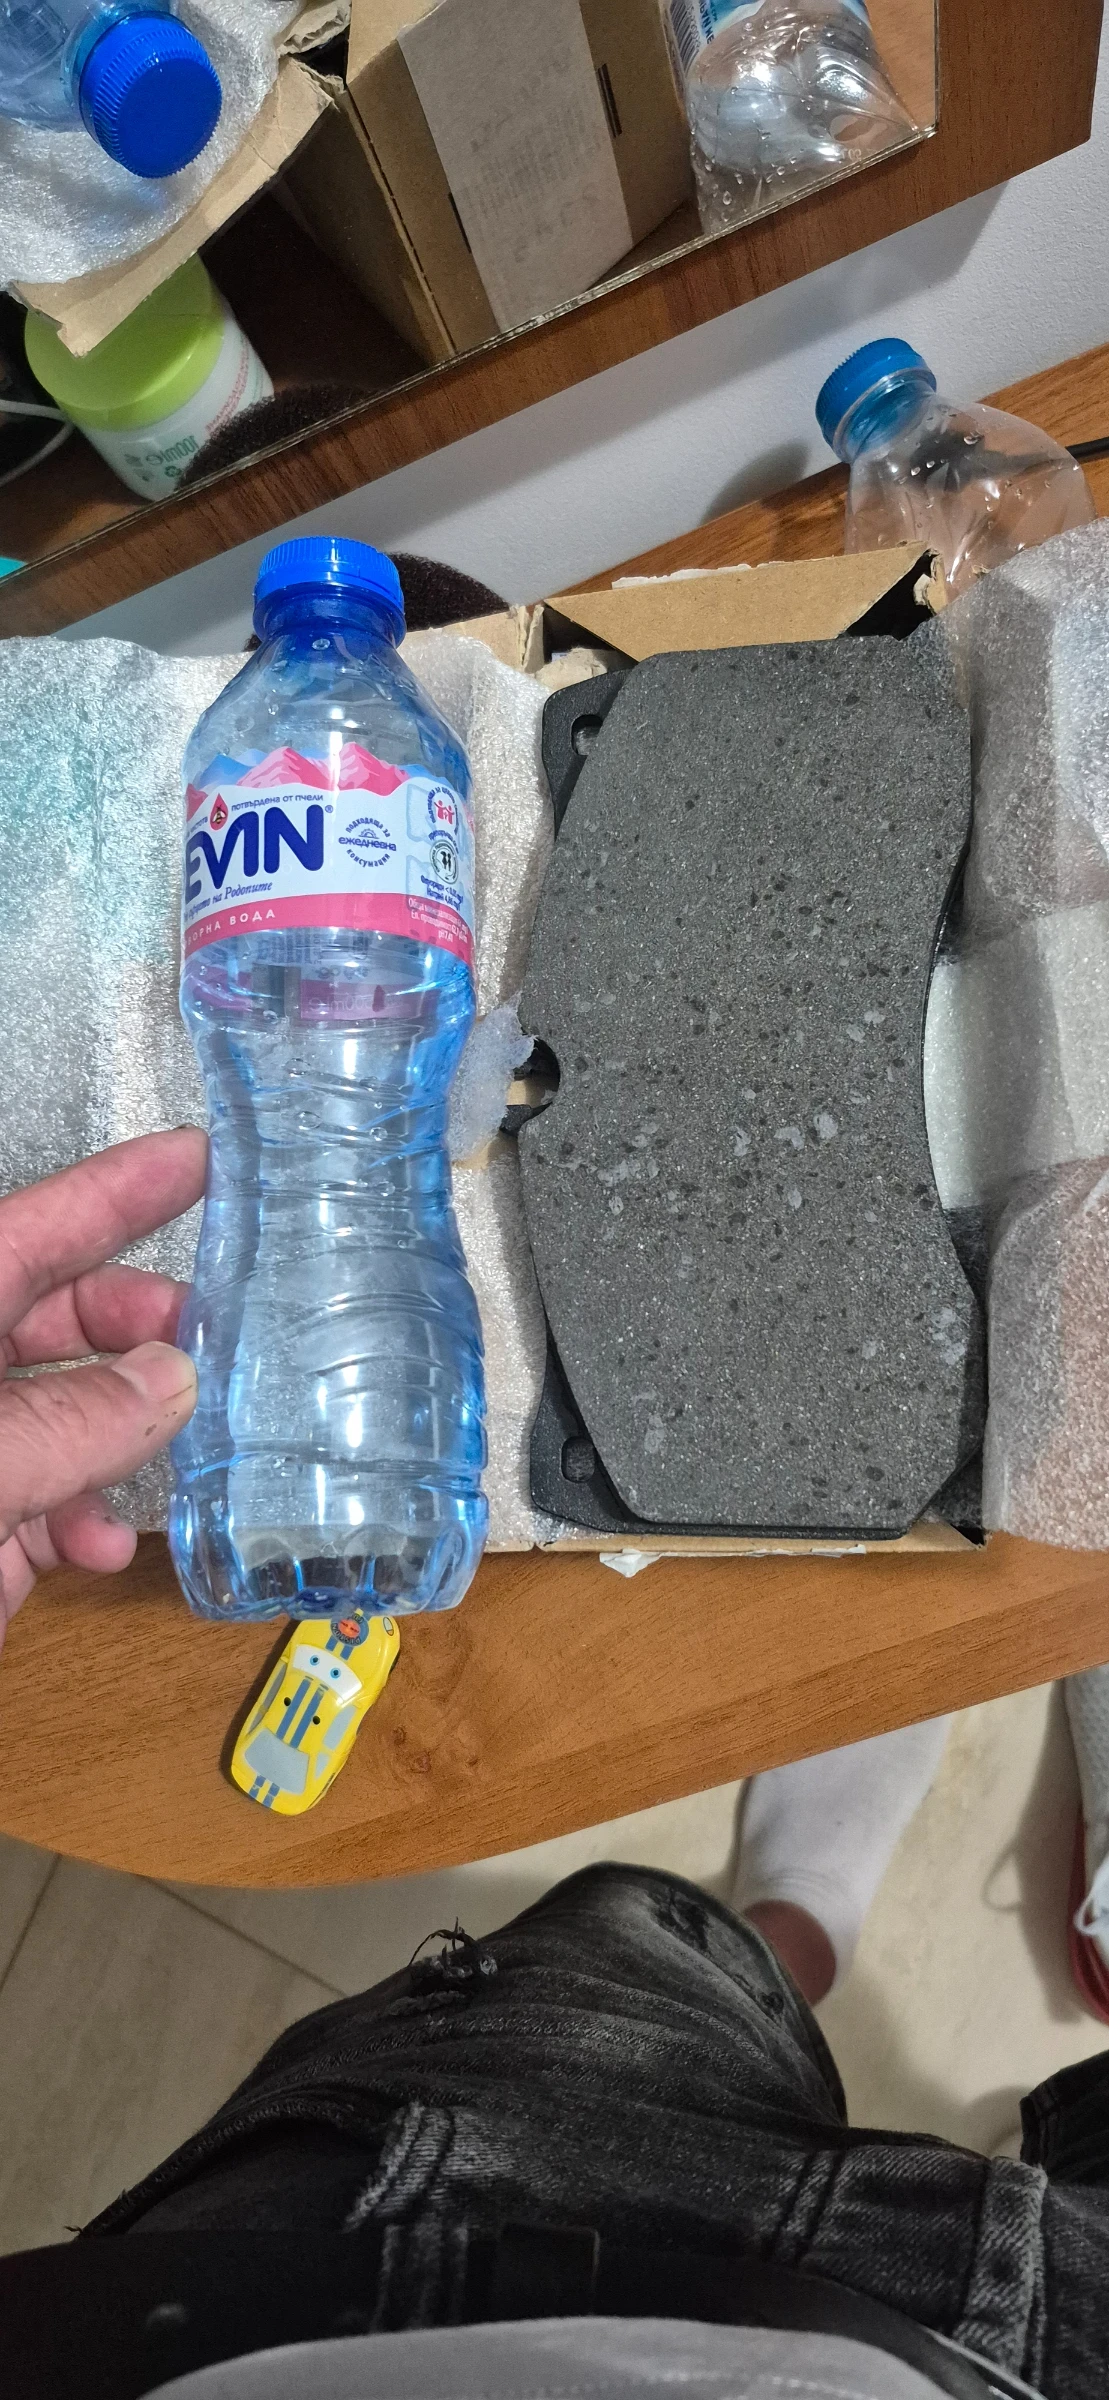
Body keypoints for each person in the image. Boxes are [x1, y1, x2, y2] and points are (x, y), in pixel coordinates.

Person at [1, 1134, 1105, 2400]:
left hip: (355, 2288)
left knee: (643, 1966)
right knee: (685, 1981)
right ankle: (799, 1927)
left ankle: (779, 1939)